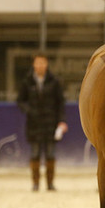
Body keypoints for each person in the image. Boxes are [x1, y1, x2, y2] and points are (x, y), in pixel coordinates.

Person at [17, 54, 68, 191]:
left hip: (50, 123)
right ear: (34, 65)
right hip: (34, 124)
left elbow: (60, 103)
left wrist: (62, 121)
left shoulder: (54, 81)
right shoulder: (27, 82)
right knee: (35, 154)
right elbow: (20, 101)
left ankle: (50, 183)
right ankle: (35, 183)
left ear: (46, 65)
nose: (40, 66)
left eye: (42, 63)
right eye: (37, 63)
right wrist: (28, 110)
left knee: (50, 154)